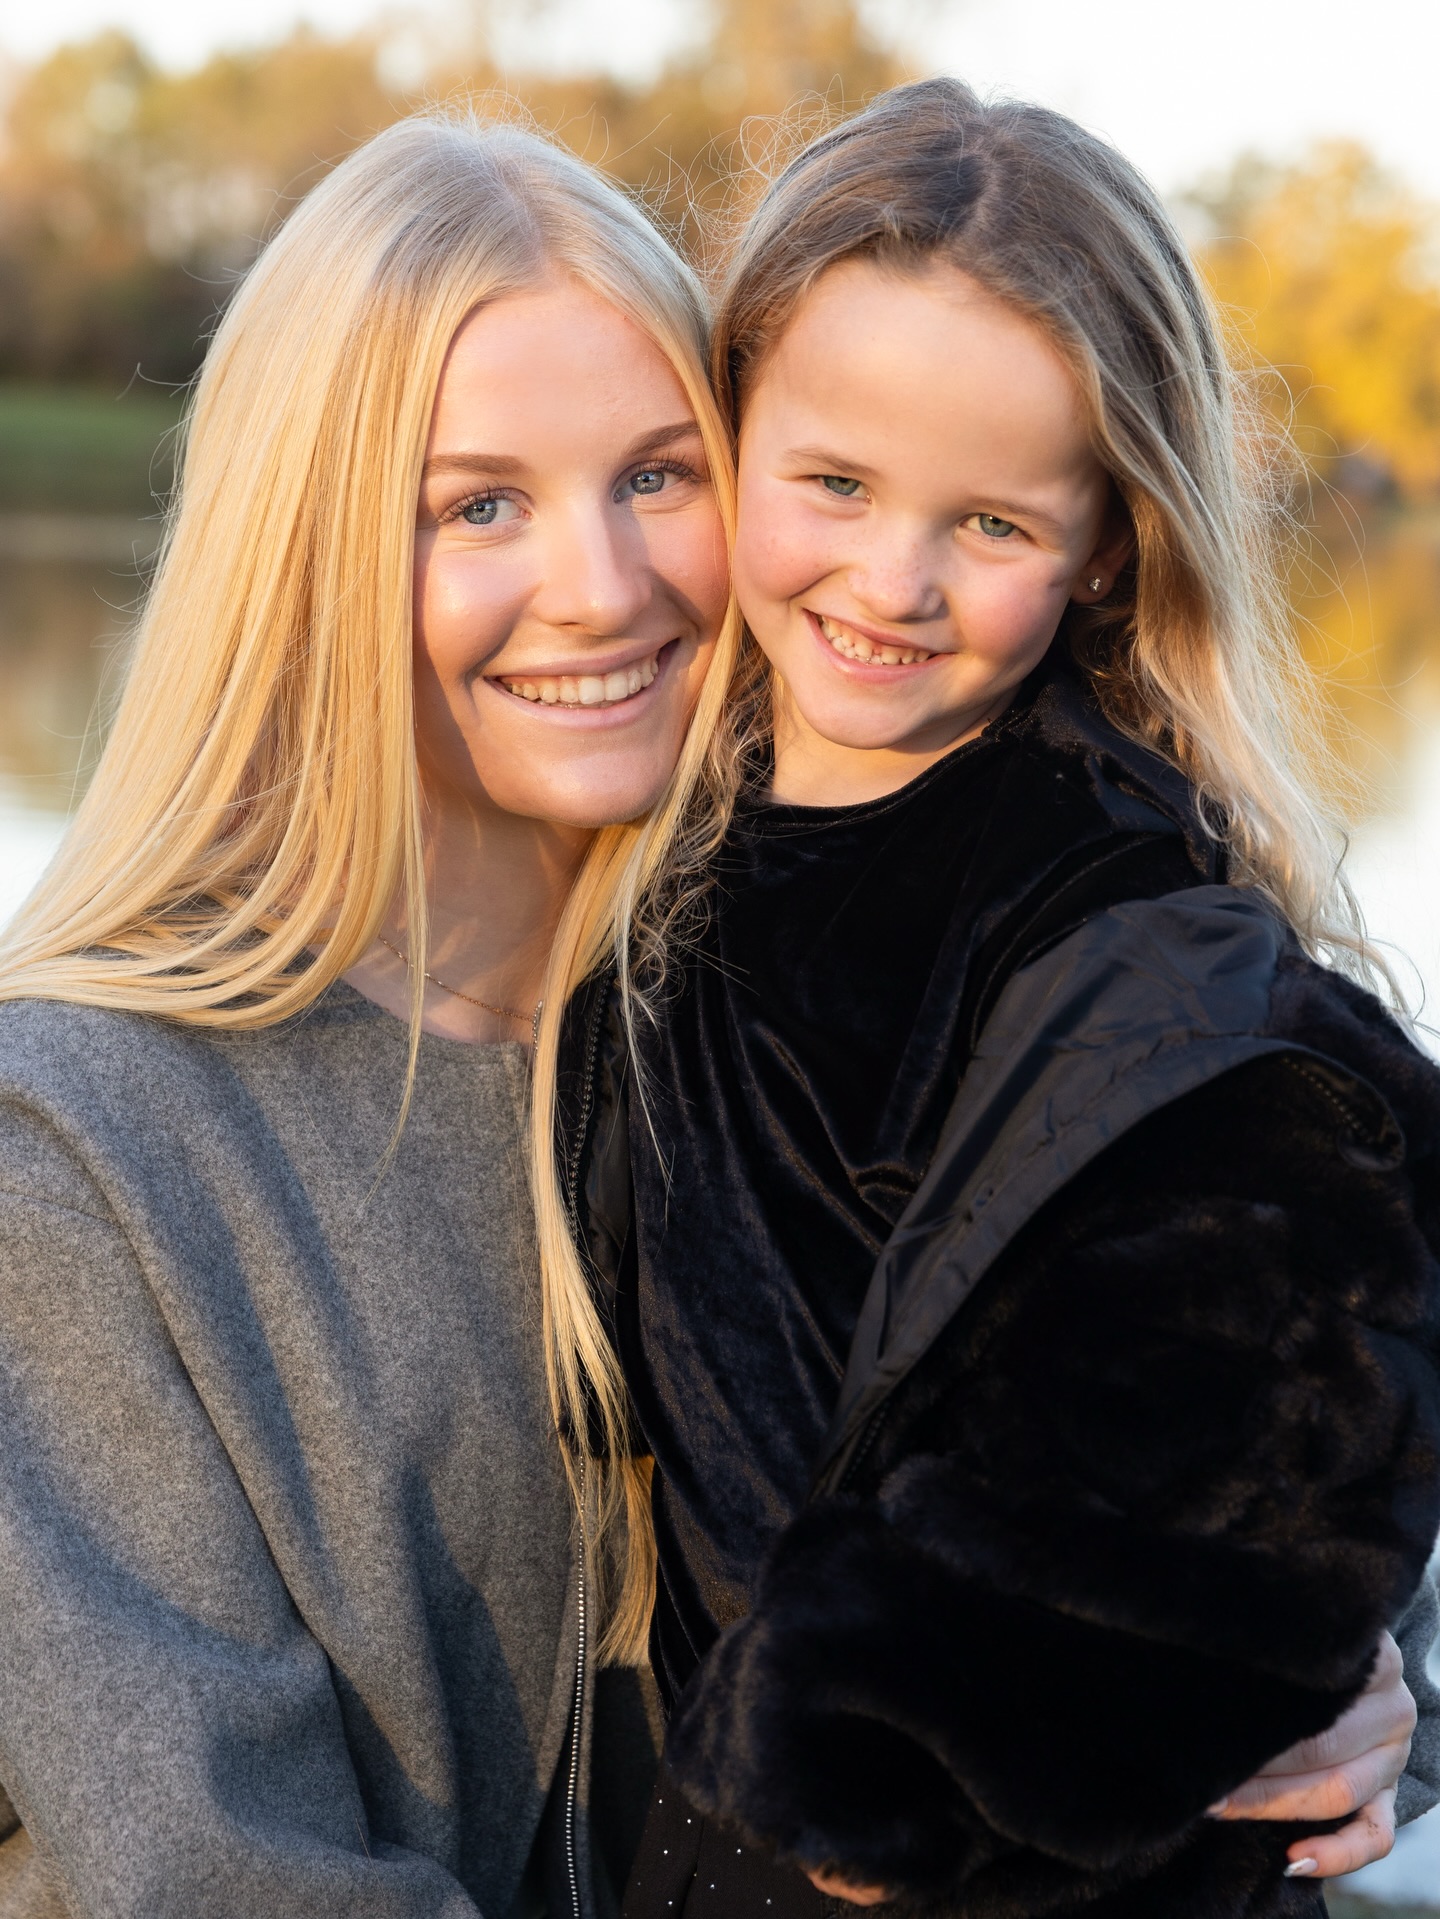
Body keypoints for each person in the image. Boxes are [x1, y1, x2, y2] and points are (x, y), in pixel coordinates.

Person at [546, 80, 1440, 1919]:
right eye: (836, 484)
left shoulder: (1137, 941)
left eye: (995, 525)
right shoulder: (639, 827)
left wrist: (871, 1782)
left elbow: (1283, 1381)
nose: (893, 580)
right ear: (729, 434)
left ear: (1110, 539)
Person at [0, 109, 743, 1918]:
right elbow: (219, 1878)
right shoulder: (83, 1139)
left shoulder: (783, 1033)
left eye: (659, 474)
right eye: (477, 505)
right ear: (310, 549)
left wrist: (1326, 1693)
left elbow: (1281, 1475)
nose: (605, 585)